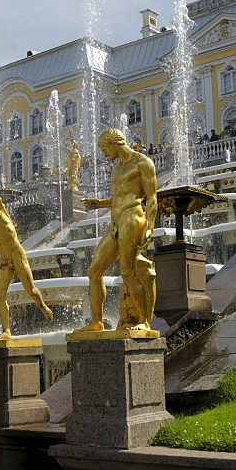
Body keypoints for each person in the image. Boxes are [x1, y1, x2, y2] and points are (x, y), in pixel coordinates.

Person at [76, 128, 157, 334]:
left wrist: (150, 226)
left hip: (133, 218)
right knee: (94, 271)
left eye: (104, 149)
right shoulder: (117, 167)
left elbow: (152, 197)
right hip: (116, 222)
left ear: (113, 143)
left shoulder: (142, 162)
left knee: (127, 273)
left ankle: (144, 322)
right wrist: (100, 203)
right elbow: (120, 196)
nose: (104, 154)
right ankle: (97, 322)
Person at [0, 191, 53, 340]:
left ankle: (43, 306)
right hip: (3, 259)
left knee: (31, 291)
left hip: (17, 255)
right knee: (0, 295)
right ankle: (6, 331)